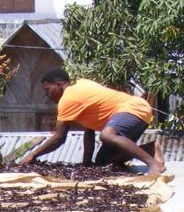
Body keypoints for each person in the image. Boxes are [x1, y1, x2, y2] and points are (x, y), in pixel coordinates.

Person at [17, 68, 165, 175]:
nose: (47, 95)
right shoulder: (82, 85)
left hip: (133, 108)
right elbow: (89, 130)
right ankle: (151, 148)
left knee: (107, 135)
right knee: (103, 162)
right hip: (140, 112)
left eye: (47, 89)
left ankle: (153, 164)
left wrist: (33, 155)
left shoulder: (68, 99)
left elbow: (59, 138)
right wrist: (86, 163)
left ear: (59, 85)